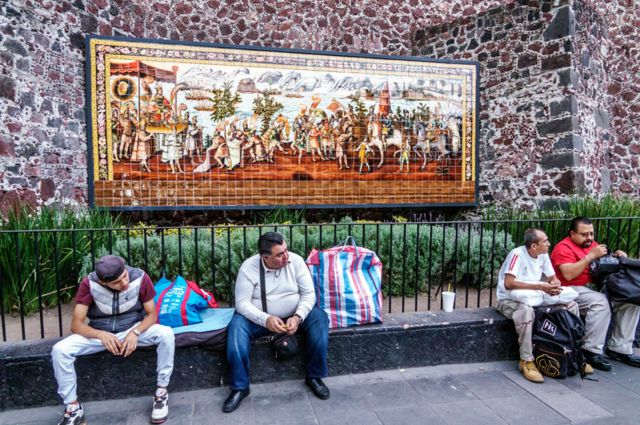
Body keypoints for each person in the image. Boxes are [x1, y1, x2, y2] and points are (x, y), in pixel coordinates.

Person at [51, 255, 175, 425]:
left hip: (133, 329)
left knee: (166, 334)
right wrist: (100, 334)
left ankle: (161, 392)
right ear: (103, 282)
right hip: (100, 334)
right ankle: (73, 408)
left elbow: (152, 315)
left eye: (124, 276)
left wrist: (136, 332)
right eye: (117, 282)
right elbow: (76, 325)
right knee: (60, 350)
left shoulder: (139, 277)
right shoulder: (90, 284)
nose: (124, 283)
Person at [223, 232, 330, 413]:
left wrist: (298, 317)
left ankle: (315, 376)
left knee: (320, 320)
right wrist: (265, 319)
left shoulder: (295, 261)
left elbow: (309, 294)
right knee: (236, 328)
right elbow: (241, 304)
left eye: (286, 250)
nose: (286, 256)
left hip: (294, 316)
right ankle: (240, 387)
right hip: (259, 318)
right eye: (280, 254)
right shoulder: (248, 268)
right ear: (265, 257)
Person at [496, 228, 586, 383]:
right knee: (525, 311)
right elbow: (508, 283)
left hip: (535, 296)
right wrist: (540, 286)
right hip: (509, 300)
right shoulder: (517, 255)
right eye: (545, 241)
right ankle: (526, 360)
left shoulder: (543, 255)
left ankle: (572, 354)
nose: (549, 244)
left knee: (570, 305)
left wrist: (554, 287)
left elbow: (553, 278)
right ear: (533, 246)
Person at [550, 217, 640, 370]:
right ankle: (591, 350)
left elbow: (602, 266)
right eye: (584, 234)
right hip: (571, 289)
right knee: (600, 302)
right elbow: (568, 275)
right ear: (572, 233)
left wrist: (618, 257)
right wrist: (590, 256)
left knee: (630, 299)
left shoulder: (592, 245)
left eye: (591, 234)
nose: (589, 238)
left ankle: (619, 348)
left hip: (594, 287)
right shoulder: (563, 248)